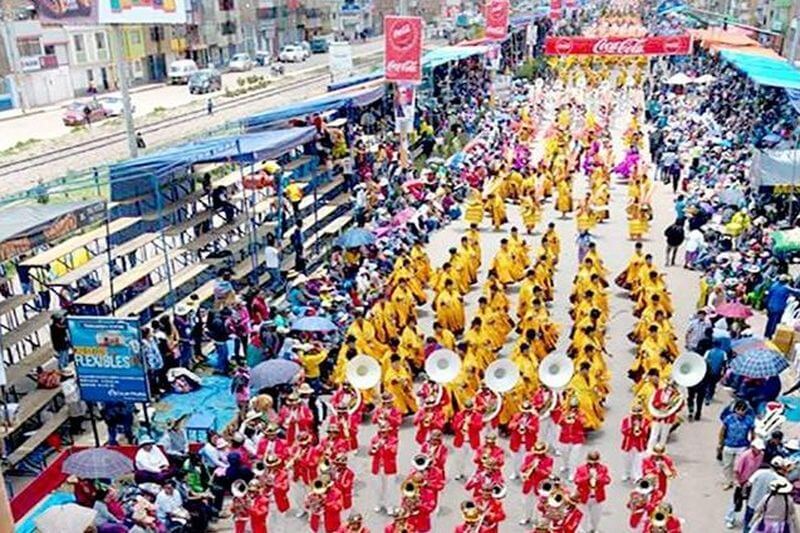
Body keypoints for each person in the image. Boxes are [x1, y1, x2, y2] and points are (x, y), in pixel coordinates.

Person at [725, 438, 766, 529]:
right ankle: (729, 519)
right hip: (742, 480)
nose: (759, 451)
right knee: (736, 501)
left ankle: (746, 519)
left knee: (750, 501)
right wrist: (738, 482)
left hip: (752, 481)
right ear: (753, 447)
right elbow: (737, 470)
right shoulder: (745, 455)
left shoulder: (761, 455)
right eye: (758, 449)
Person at [718, 400, 755, 490]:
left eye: (743, 410)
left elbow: (752, 433)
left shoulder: (749, 420)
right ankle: (728, 481)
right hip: (729, 444)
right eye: (739, 409)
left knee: (738, 466)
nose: (741, 412)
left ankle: (737, 481)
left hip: (742, 446)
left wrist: (751, 444)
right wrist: (720, 443)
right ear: (735, 409)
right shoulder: (729, 418)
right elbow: (723, 431)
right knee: (727, 465)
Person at [745, 458, 789, 531]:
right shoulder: (778, 479)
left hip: (751, 503)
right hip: (764, 508)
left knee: (747, 525)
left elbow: (748, 484)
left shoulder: (759, 472)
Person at [573, 450, 611, 533]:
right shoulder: (581, 468)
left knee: (596, 517)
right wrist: (587, 477)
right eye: (591, 462)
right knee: (583, 518)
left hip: (597, 497)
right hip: (583, 497)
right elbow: (576, 480)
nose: (593, 464)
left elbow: (608, 480)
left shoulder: (603, 468)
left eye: (595, 462)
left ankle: (594, 529)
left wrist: (598, 478)